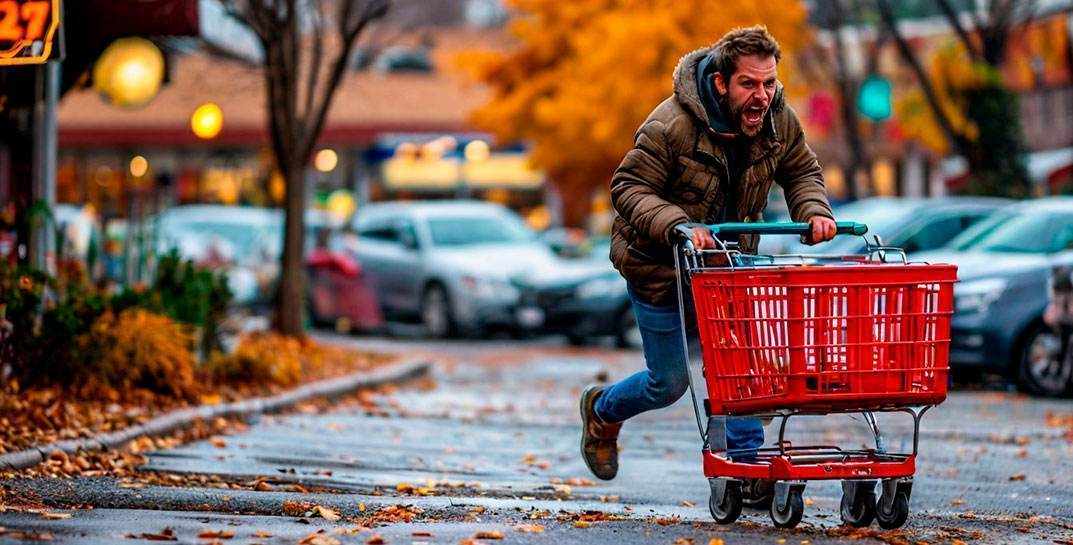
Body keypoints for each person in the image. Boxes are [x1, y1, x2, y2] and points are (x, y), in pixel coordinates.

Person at [579, 26, 837, 506]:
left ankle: (747, 466)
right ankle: (602, 410)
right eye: (749, 84)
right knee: (669, 383)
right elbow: (628, 188)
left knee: (739, 368)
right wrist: (678, 224)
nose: (762, 95)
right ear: (721, 82)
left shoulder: (778, 119)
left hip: (725, 267)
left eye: (769, 83)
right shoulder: (670, 124)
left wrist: (815, 211)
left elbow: (801, 170)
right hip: (660, 268)